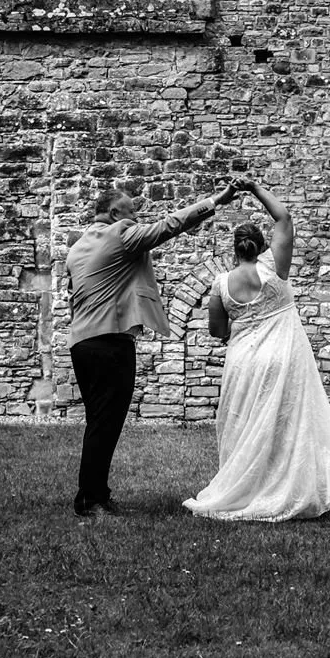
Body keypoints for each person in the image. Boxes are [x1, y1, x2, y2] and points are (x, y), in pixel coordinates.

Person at [185, 174, 330, 521]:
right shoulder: (275, 267)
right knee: (286, 425)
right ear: (261, 244)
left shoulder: (221, 284)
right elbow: (284, 218)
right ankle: (285, 488)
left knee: (245, 425)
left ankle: (245, 487)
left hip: (243, 362)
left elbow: (216, 330)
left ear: (234, 249)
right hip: (283, 356)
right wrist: (253, 188)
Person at [64, 177, 240, 518]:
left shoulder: (78, 247)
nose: (135, 218)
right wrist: (218, 199)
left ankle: (96, 492)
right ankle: (89, 499)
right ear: (115, 213)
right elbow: (169, 226)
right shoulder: (121, 234)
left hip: (81, 344)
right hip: (110, 341)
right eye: (130, 212)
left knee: (98, 421)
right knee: (106, 422)